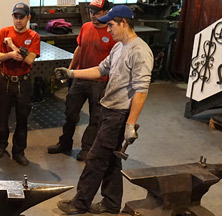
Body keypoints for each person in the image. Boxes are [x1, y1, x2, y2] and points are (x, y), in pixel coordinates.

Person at [53, 5, 153, 214]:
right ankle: (111, 203)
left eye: (111, 25)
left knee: (96, 159)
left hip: (119, 115)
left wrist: (130, 124)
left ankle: (80, 203)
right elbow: (100, 70)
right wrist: (71, 74)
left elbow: (141, 91)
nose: (107, 30)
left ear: (123, 23)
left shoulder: (140, 51)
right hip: (108, 109)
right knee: (112, 160)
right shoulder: (119, 47)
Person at [47, 0, 116, 161]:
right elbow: (79, 48)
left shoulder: (112, 32)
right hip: (79, 78)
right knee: (70, 113)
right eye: (91, 12)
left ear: (106, 12)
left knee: (95, 117)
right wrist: (70, 72)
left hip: (100, 81)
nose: (92, 16)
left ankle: (87, 148)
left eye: (96, 13)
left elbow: (115, 61)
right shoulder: (86, 27)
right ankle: (64, 143)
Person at [0, 2, 40, 166]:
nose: (18, 20)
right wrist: (11, 54)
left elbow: (28, 59)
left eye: (22, 17)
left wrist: (11, 46)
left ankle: (19, 152)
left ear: (28, 18)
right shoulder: (4, 32)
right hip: (5, 81)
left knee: (22, 119)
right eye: (16, 17)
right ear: (12, 16)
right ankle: (0, 146)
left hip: (23, 84)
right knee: (2, 117)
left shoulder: (33, 37)